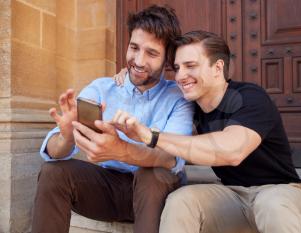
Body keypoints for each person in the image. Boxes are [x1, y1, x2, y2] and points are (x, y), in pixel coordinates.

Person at [113, 31, 301, 233]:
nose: (181, 76)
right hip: (232, 197)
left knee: (272, 207)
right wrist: (131, 76)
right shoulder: (192, 105)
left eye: (190, 66)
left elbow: (232, 151)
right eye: (177, 68)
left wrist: (152, 136)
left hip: (281, 191)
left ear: (218, 67)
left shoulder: (250, 97)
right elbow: (158, 98)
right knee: (180, 201)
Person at [31, 5, 193, 233]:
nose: (138, 60)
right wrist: (66, 137)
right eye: (134, 47)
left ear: (168, 59)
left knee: (153, 174)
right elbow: (54, 149)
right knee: (53, 172)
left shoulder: (178, 97)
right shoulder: (101, 88)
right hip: (109, 188)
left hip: (158, 196)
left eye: (152, 53)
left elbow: (171, 157)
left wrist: (121, 150)